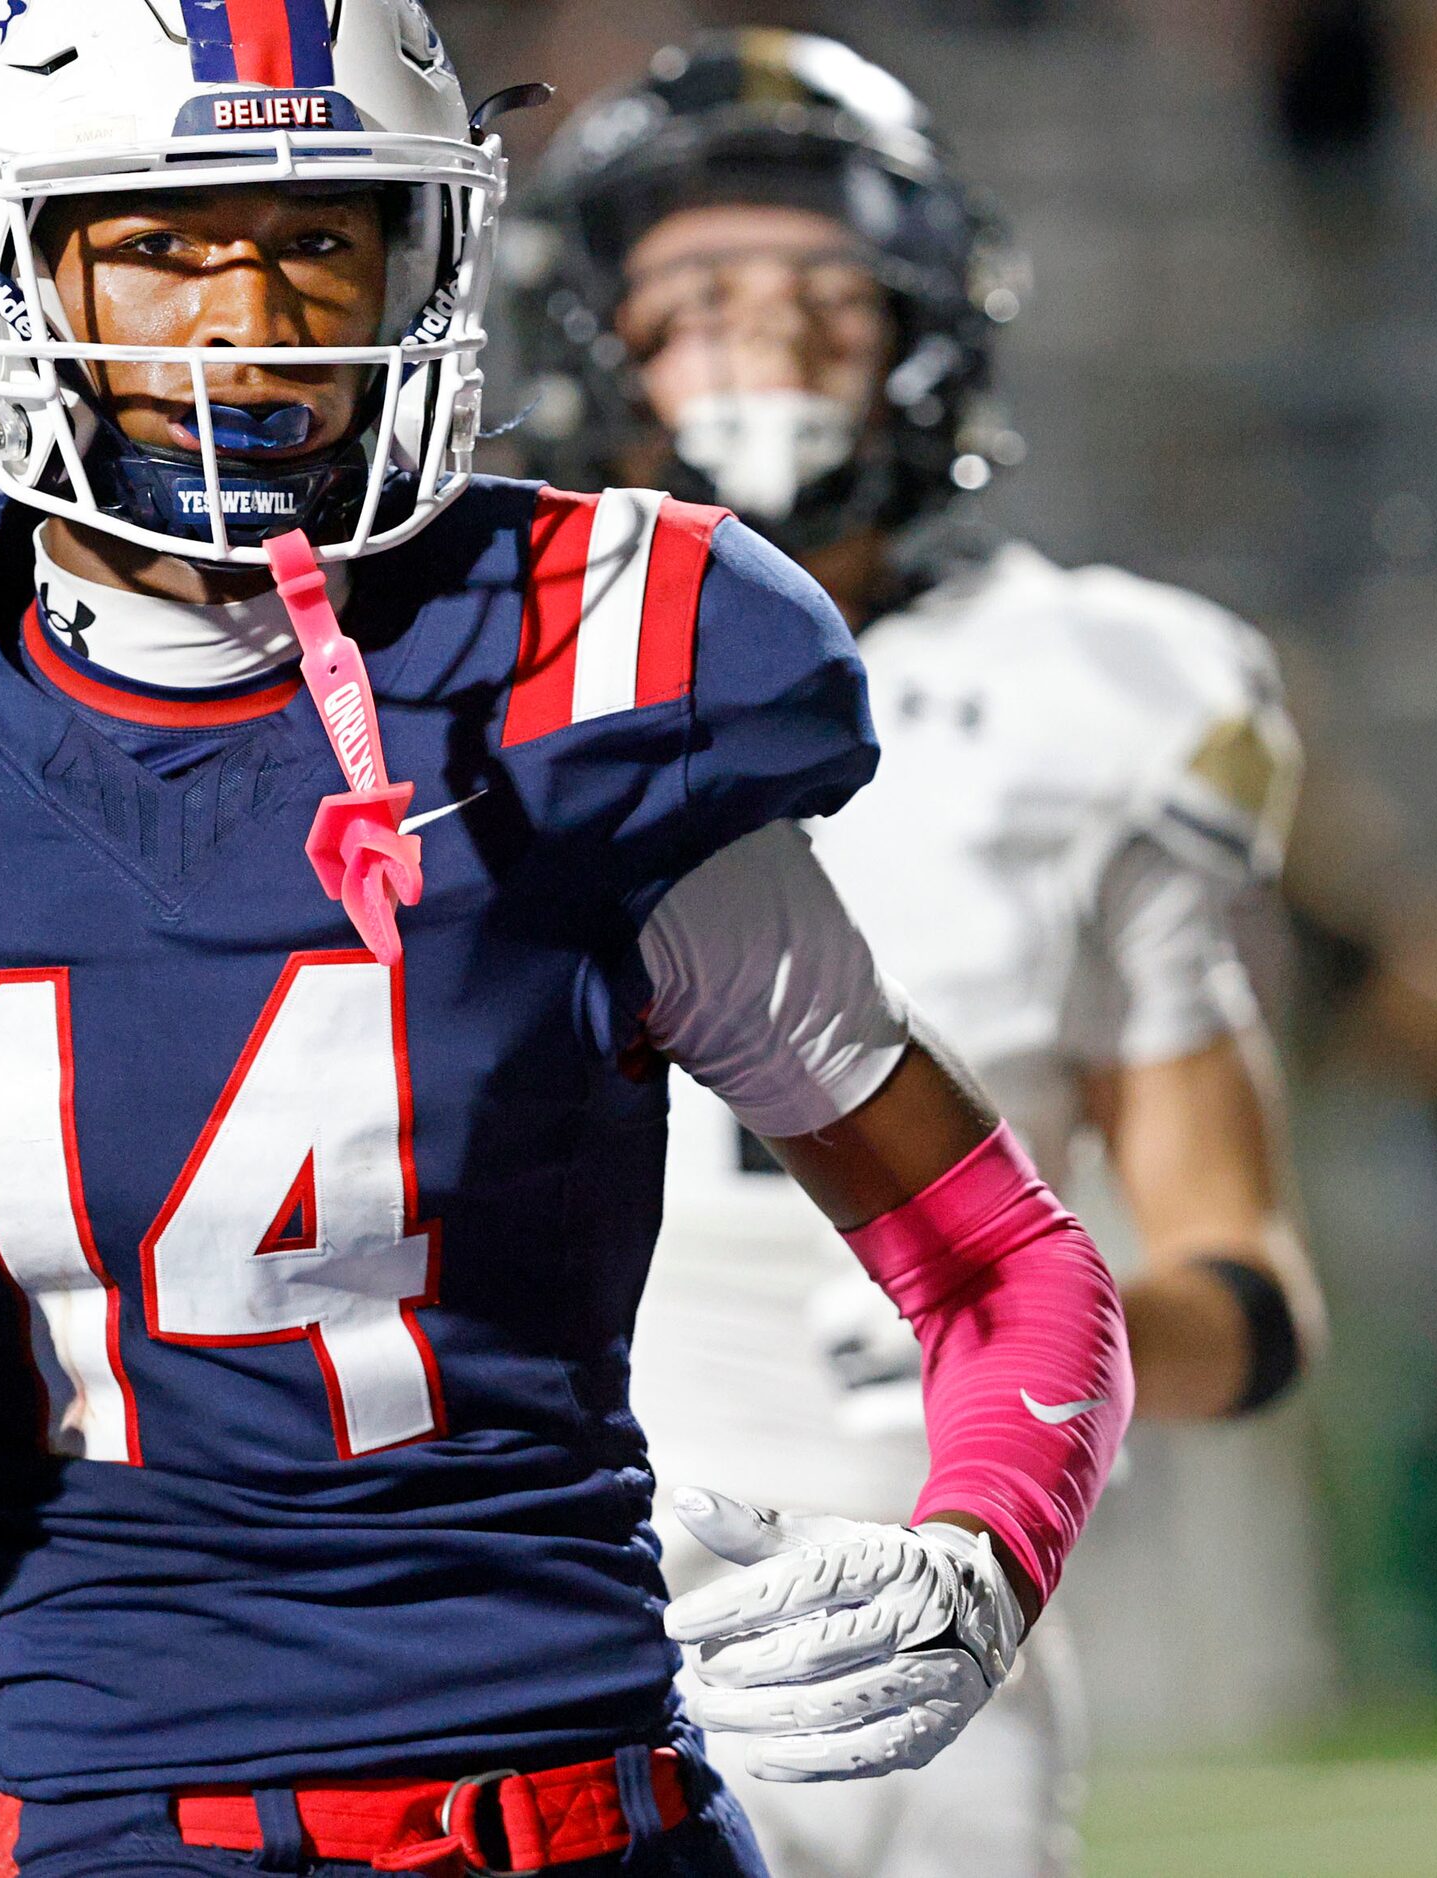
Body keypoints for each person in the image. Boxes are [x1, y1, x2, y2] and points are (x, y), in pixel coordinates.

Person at [0, 6, 1135, 1874]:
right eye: (160, 244)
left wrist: (983, 1548)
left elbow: (998, 1258)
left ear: (426, 253)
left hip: (603, 1821)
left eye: (316, 238)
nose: (251, 320)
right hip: (127, 1833)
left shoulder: (597, 669)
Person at [501, 31, 1329, 1878]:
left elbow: (1247, 1290)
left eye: (824, 290)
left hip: (936, 1610)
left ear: (925, 325)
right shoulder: (470, 660)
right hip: (522, 1598)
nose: (769, 333)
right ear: (595, 333)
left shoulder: (1107, 688)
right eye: (702, 287)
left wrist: (1049, 1335)